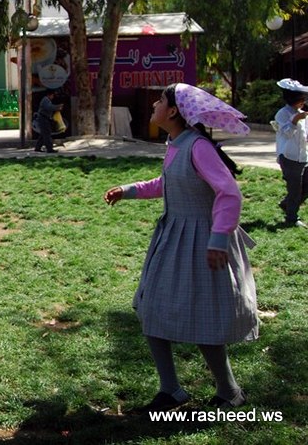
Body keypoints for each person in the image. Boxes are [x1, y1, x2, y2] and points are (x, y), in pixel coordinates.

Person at [103, 83, 257, 412]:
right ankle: (171, 389)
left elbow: (229, 193)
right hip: (175, 238)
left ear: (173, 111)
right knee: (152, 307)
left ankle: (229, 391)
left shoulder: (198, 146)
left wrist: (218, 239)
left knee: (202, 316)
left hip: (203, 242)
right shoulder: (177, 143)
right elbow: (169, 182)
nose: (154, 105)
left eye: (160, 100)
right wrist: (128, 190)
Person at [273, 78, 308, 228]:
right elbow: (287, 133)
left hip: (303, 156)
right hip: (288, 156)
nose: (303, 102)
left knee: (305, 185)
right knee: (294, 189)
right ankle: (292, 218)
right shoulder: (282, 114)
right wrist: (295, 120)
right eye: (301, 100)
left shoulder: (302, 114)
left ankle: (287, 204)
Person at [34, 88, 64, 153]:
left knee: (43, 134)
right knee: (47, 134)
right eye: (52, 95)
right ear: (49, 95)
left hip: (44, 118)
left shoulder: (47, 100)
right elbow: (49, 107)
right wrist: (57, 106)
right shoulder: (45, 100)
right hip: (43, 118)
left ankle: (37, 147)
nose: (53, 97)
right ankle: (49, 148)